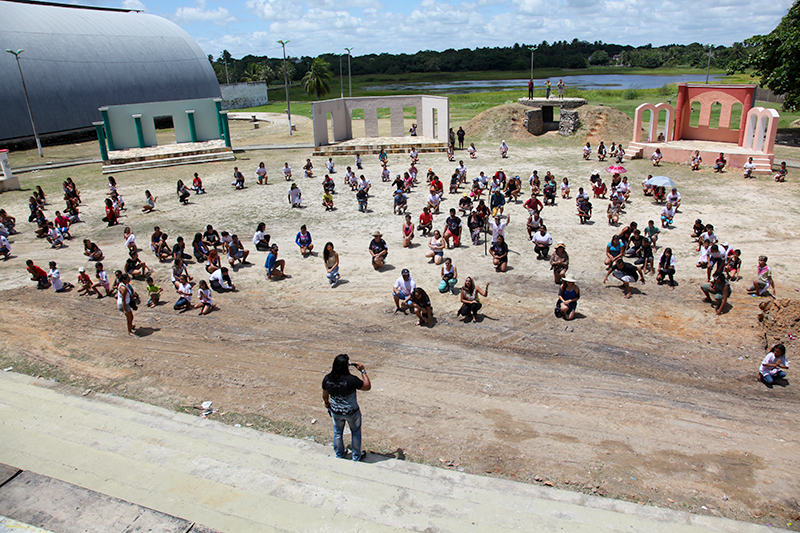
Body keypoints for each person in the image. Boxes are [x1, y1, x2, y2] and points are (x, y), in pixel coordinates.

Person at [322, 354, 371, 462]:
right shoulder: (351, 380)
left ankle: (339, 453)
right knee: (355, 431)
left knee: (338, 432)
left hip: (336, 411)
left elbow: (325, 395)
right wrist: (363, 371)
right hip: (351, 411)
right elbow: (367, 386)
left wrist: (327, 404)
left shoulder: (327, 379)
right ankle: (356, 456)